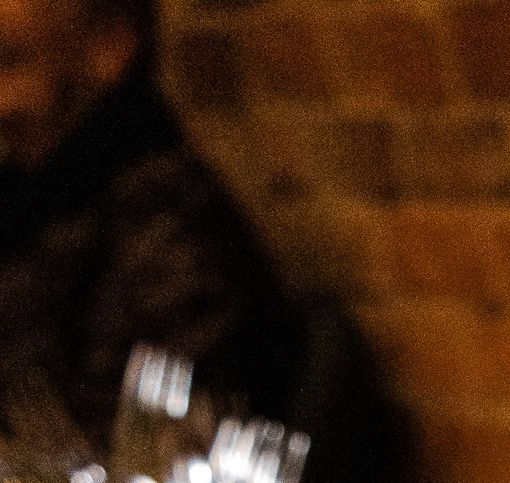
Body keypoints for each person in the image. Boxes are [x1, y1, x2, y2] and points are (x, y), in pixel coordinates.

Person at [0, 0, 294, 450]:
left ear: (111, 48)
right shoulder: (37, 209)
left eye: (9, 61)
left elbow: (143, 480)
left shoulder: (170, 241)